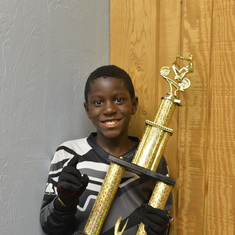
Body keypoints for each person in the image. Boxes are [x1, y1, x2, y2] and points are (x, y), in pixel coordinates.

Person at [40, 65, 172, 235]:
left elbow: (164, 222)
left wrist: (161, 230)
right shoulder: (69, 154)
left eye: (119, 100)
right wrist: (65, 202)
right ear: (87, 109)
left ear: (133, 105)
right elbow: (49, 227)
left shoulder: (154, 161)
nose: (109, 109)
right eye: (98, 102)